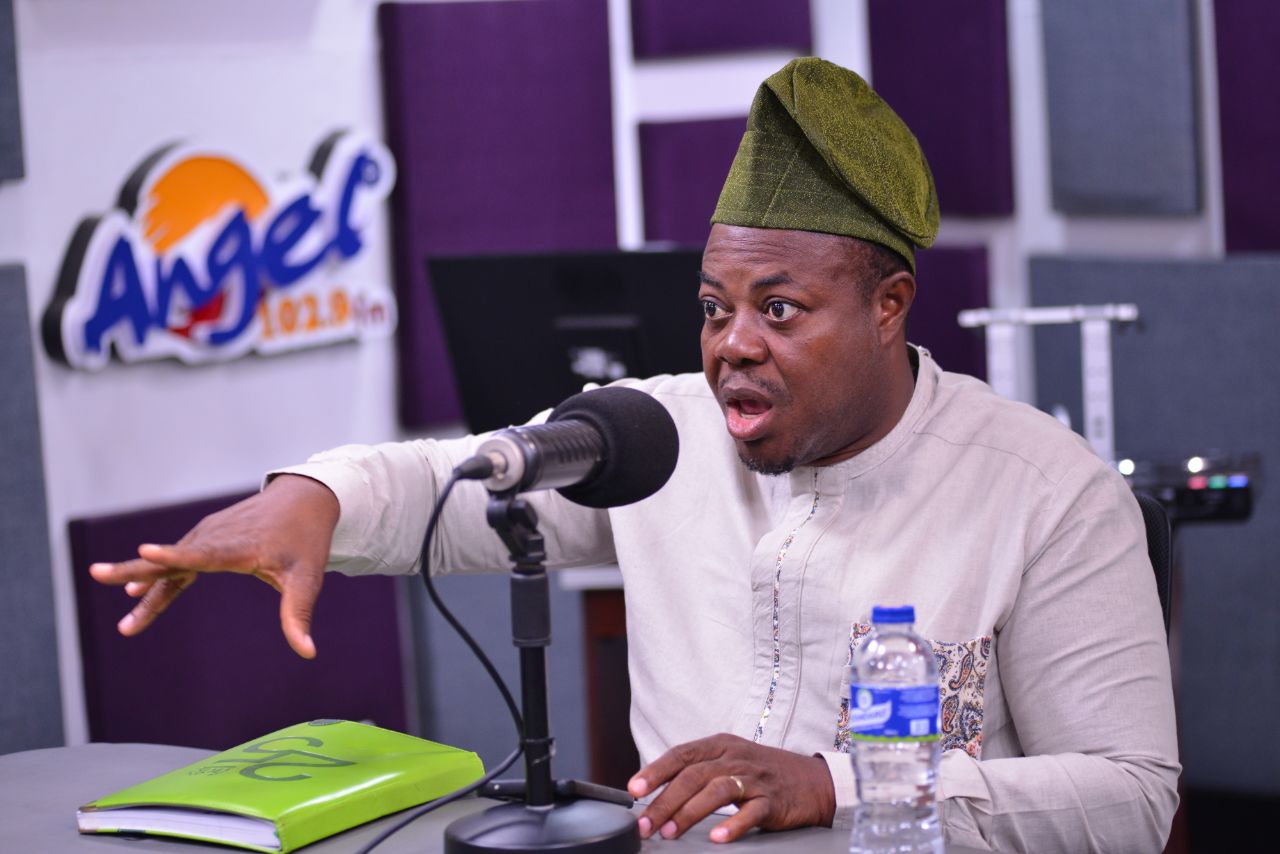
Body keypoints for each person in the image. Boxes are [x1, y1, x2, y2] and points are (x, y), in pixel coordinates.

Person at [91, 58, 1179, 850]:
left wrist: (833, 783)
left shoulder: (1048, 492)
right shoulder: (658, 437)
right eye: (713, 307)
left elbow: (1131, 794)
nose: (731, 345)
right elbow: (463, 480)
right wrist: (314, 495)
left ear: (888, 306)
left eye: (779, 309)